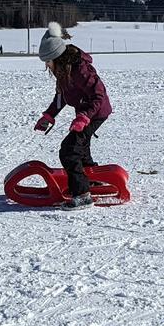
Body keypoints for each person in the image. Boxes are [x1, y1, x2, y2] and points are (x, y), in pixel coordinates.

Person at [34, 22, 112, 210]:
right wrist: (49, 116)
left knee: (69, 150)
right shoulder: (64, 70)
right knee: (81, 148)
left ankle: (82, 195)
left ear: (57, 57)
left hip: (96, 112)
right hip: (85, 114)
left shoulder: (79, 69)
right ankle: (92, 181)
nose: (47, 65)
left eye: (48, 61)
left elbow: (98, 95)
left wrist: (85, 117)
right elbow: (62, 96)